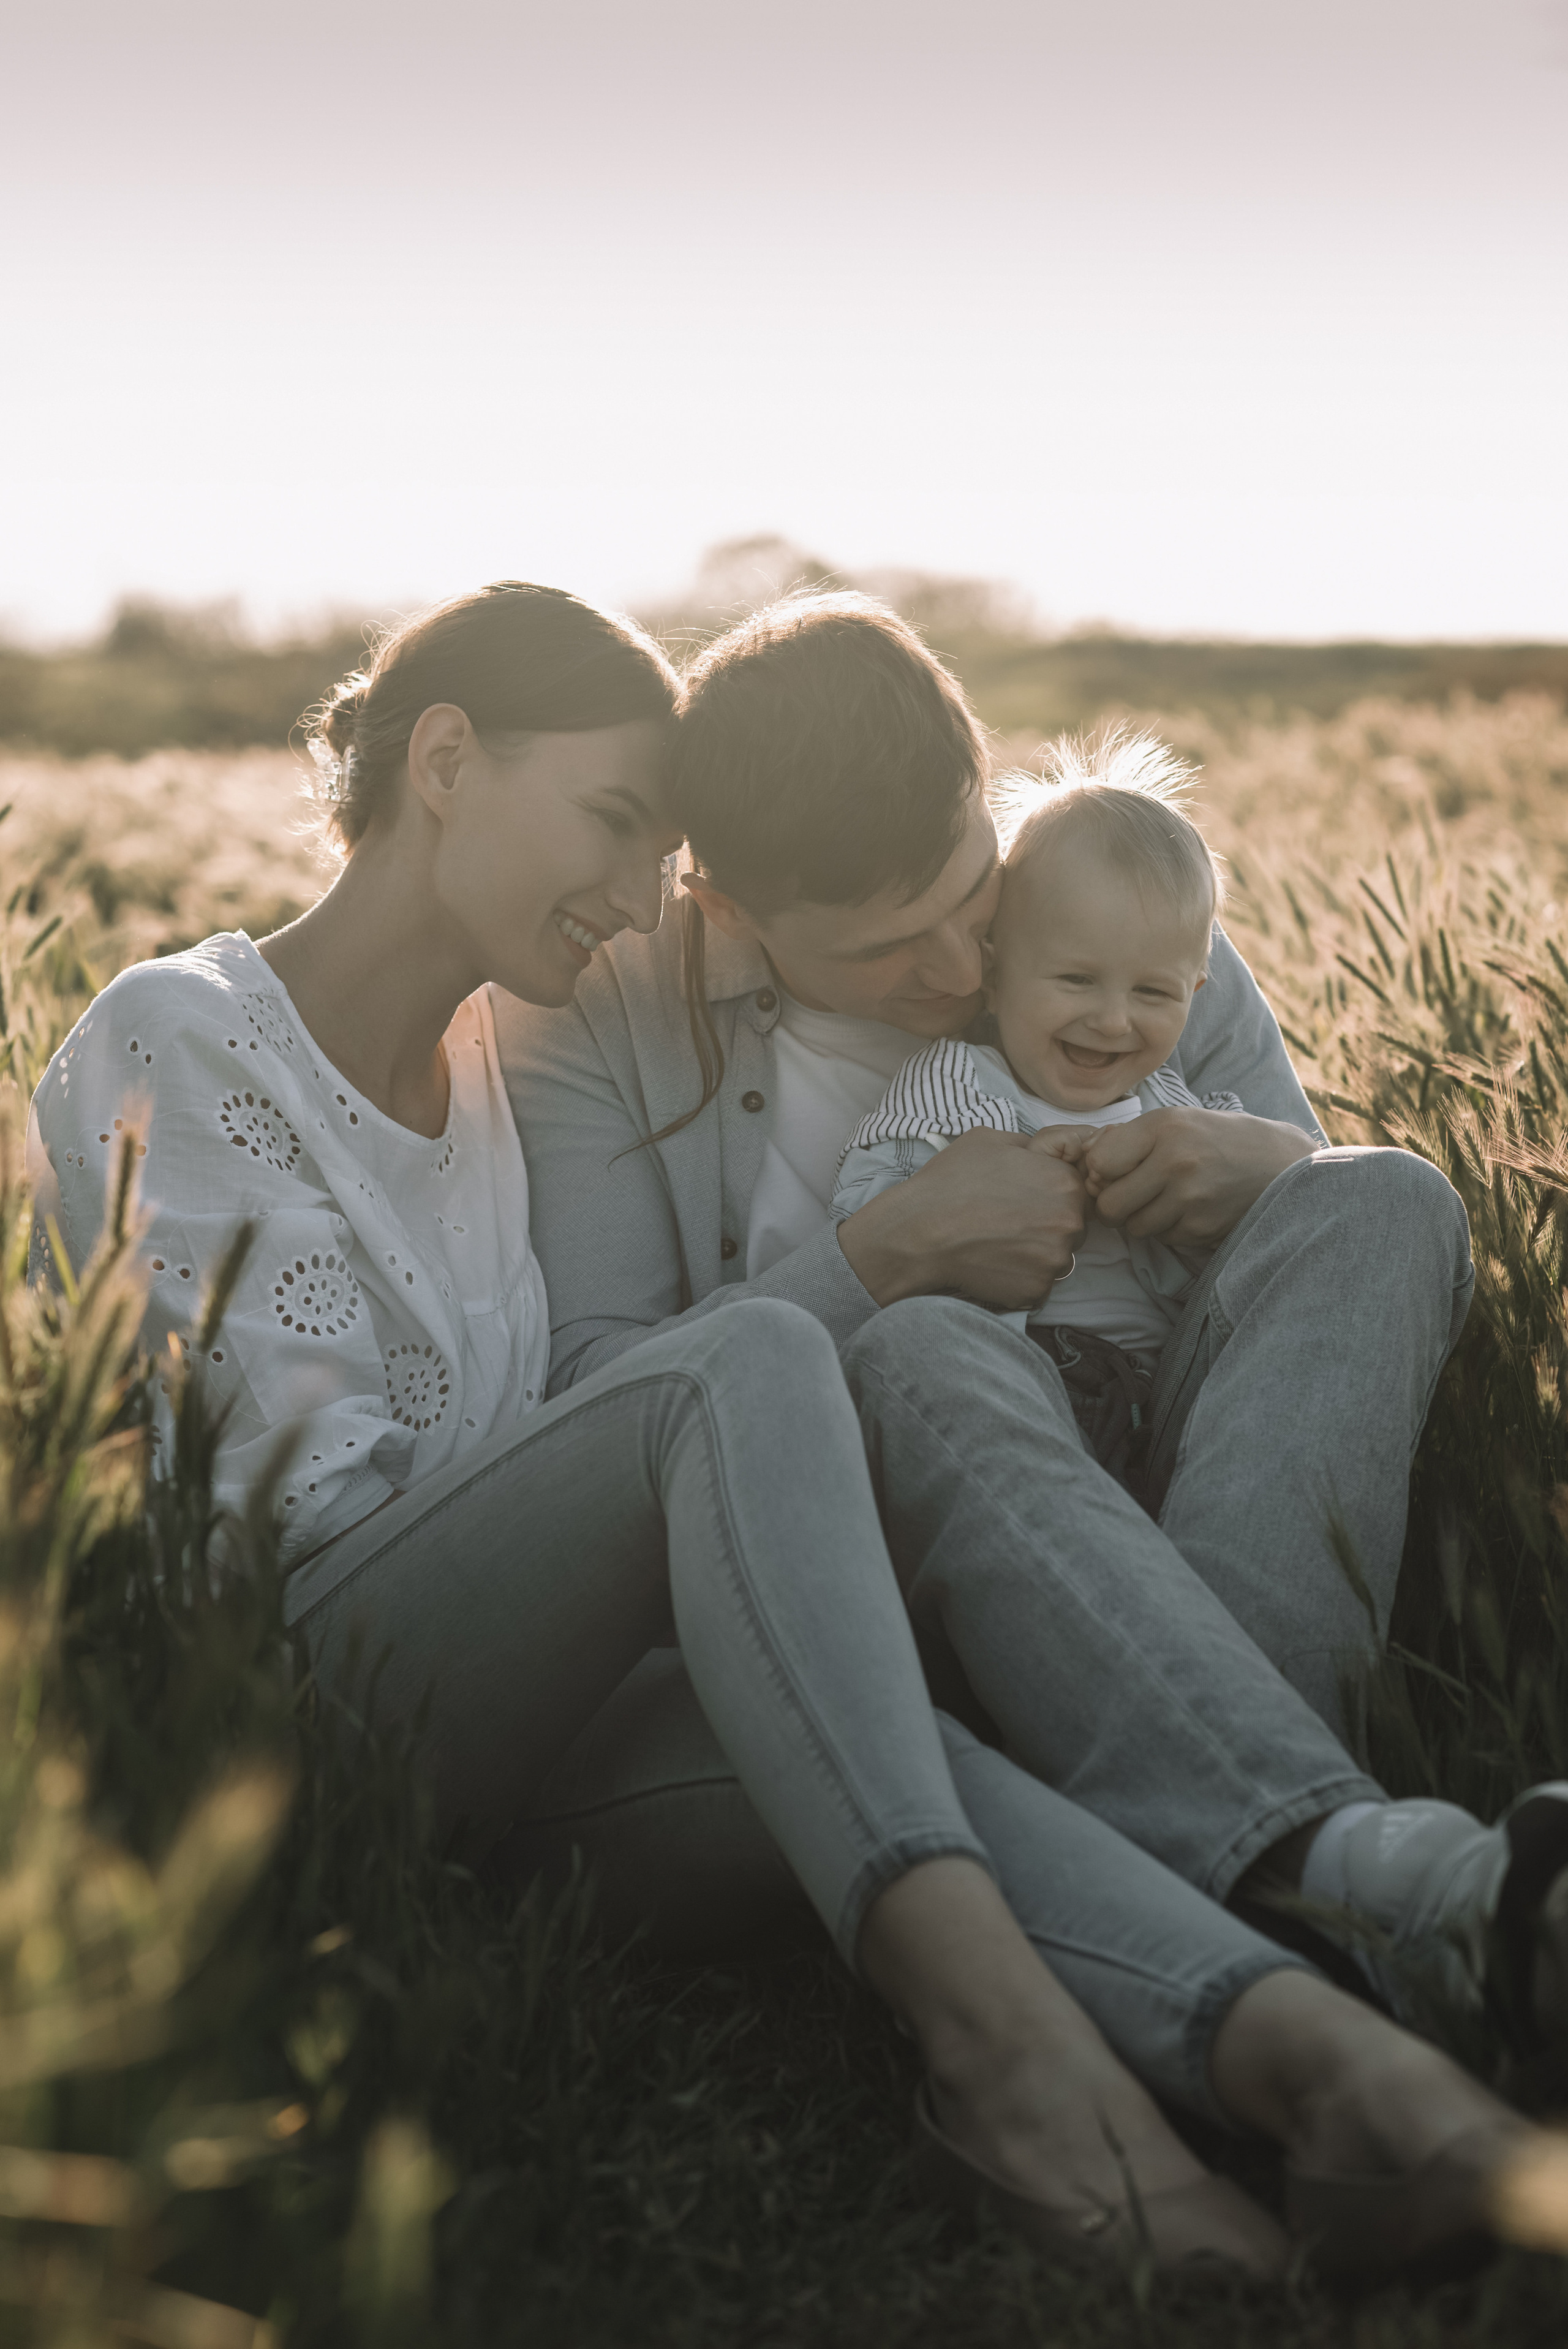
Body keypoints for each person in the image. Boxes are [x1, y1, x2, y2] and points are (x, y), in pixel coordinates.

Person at [26, 582, 1566, 2287]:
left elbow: (1304, 1217)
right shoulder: (209, 1033)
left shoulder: (490, 1052)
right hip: (336, 1701)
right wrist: (888, 1258)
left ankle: (1344, 2062)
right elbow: (333, 1505)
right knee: (774, 1359)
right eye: (619, 824)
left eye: (652, 842)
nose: (636, 892)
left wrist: (1259, 1168)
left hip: (628, 1695)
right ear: (445, 759)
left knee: (911, 1730)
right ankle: (1065, 2042)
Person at [496, 588, 1568, 2265]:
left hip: (1198, 1504)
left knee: (1391, 1200)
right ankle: (1351, 1883)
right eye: (880, 948)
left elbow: (1313, 1254)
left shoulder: (1082, 888)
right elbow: (612, 1399)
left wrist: (1268, 1167)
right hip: (902, 1541)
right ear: (733, 904)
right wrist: (884, 1257)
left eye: (964, 900)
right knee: (923, 1349)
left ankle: (1262, 1884)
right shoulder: (598, 1016)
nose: (953, 968)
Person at [831, 727, 1238, 1479]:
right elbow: (864, 1203)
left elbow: (1243, 1267)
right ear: (996, 974)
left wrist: (1195, 1210)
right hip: (1011, 1384)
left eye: (1152, 992)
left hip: (1167, 1398)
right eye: (1076, 981)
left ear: (1197, 997)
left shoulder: (1179, 1110)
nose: (1114, 1020)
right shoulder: (955, 1087)